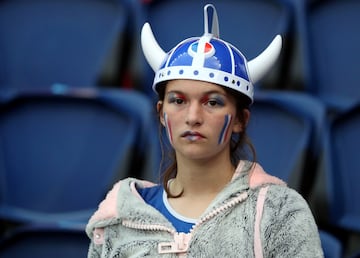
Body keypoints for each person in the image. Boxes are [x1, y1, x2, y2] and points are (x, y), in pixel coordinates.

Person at [86, 4, 323, 257]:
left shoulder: (279, 212)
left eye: (212, 102)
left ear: (240, 120)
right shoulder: (118, 217)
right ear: (161, 113)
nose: (193, 117)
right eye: (178, 101)